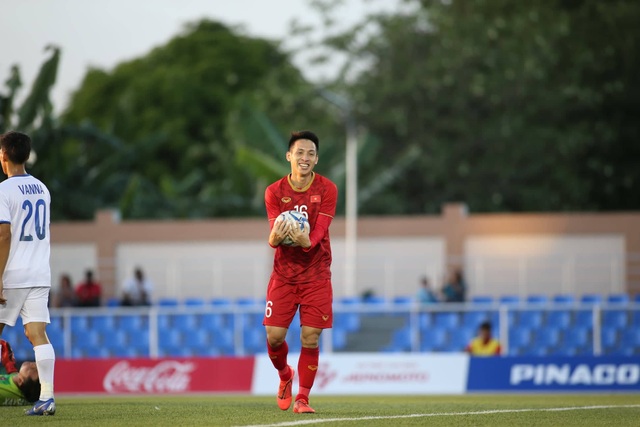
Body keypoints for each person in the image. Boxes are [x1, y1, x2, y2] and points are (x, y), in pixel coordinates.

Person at [263, 130, 338, 414]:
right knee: (274, 337)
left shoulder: (327, 189)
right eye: (299, 153)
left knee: (311, 336)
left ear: (316, 159)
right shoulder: (274, 191)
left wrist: (307, 242)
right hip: (284, 275)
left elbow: (319, 232)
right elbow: (273, 235)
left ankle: (303, 399)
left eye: (310, 154)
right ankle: (285, 375)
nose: (304, 158)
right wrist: (273, 239)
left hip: (317, 274)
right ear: (289, 156)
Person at [0, 131, 56, 415]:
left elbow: (4, 235)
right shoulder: (43, 189)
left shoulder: (3, 190)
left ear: (4, 156)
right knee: (38, 335)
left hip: (12, 273)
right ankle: (46, 397)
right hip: (39, 272)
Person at [0, 339, 41, 405]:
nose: (35, 365)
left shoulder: (2, 391)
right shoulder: (19, 386)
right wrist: (10, 367)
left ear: (20, 382)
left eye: (34, 370)